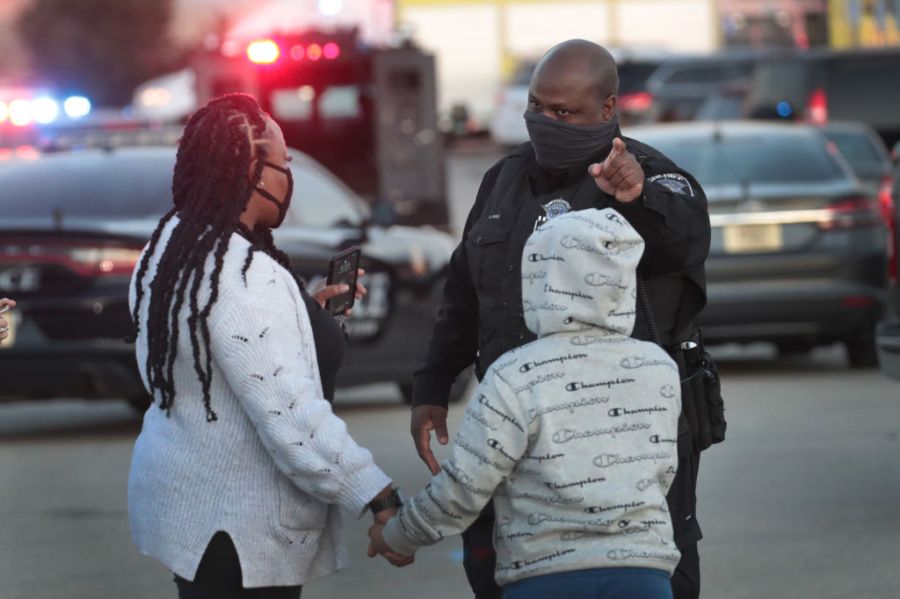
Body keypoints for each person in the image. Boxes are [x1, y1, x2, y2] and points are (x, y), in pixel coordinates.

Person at [409, 40, 711, 599]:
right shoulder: (502, 181)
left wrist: (637, 198)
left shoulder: (648, 177)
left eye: (564, 112)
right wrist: (432, 385)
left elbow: (686, 242)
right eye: (537, 106)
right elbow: (464, 293)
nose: (545, 121)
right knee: (501, 569)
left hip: (625, 443)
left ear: (607, 108)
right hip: (521, 433)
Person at [126, 93, 409, 599]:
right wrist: (377, 495)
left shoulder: (171, 249)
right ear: (252, 172)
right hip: (237, 527)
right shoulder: (241, 274)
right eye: (284, 162)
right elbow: (291, 419)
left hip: (189, 512)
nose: (289, 176)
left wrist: (305, 318)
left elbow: (216, 350)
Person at [371, 208, 682, 598]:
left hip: (545, 576)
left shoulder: (515, 375)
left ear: (539, 278)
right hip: (645, 575)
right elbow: (662, 471)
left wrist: (399, 535)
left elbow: (466, 485)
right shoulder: (658, 368)